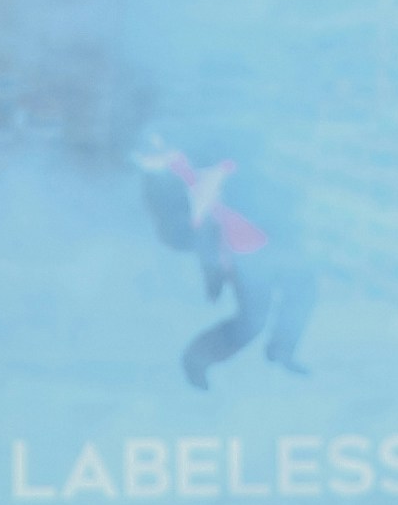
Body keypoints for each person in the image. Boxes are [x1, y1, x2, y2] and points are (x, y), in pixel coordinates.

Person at [133, 129, 319, 389]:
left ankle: (281, 350)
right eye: (149, 150)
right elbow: (179, 235)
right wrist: (212, 265)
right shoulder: (161, 185)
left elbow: (246, 151)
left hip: (272, 237)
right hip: (243, 256)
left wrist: (223, 174)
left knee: (303, 289)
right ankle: (197, 359)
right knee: (252, 322)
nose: (156, 148)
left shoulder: (199, 144)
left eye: (158, 142)